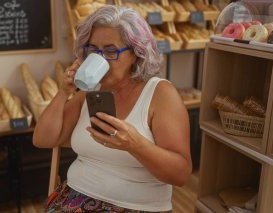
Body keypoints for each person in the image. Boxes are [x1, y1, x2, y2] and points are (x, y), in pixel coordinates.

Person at [33, 5, 192, 213]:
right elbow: (42, 140)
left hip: (135, 207)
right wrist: (64, 92)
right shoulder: (89, 92)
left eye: (110, 51)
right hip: (74, 198)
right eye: (93, 50)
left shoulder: (160, 94)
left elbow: (180, 175)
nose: (101, 58)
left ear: (136, 53)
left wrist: (134, 145)